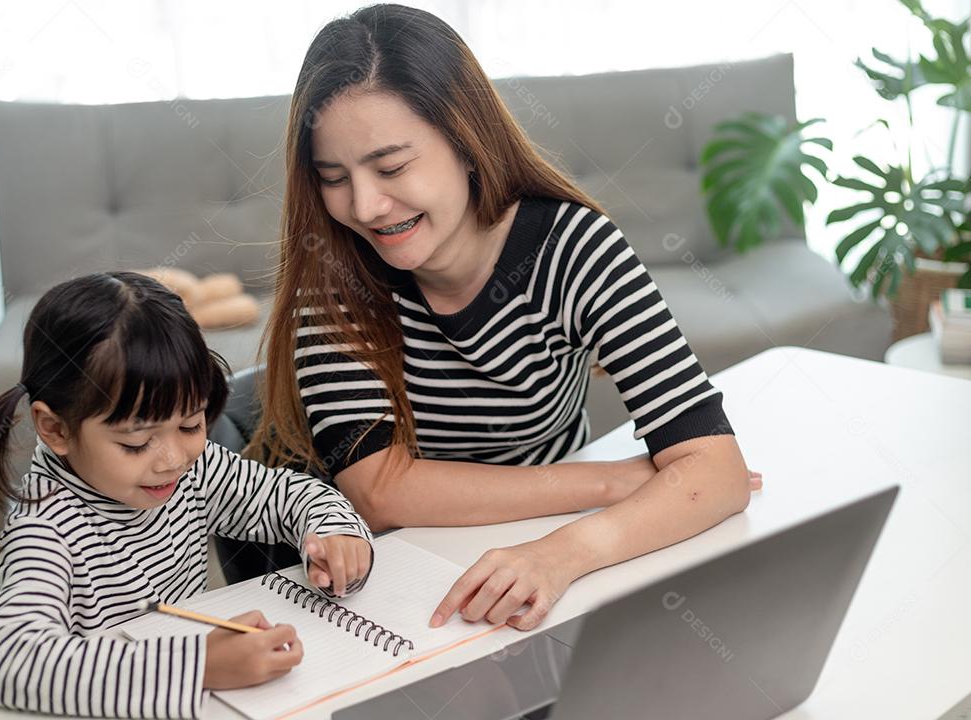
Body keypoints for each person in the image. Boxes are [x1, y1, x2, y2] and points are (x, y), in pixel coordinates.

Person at [252, 3, 761, 633]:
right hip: (385, 576)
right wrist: (606, 483)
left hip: (539, 548)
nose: (365, 206)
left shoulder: (574, 249)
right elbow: (378, 494)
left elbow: (717, 472)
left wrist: (561, 553)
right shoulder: (333, 279)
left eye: (391, 168)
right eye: (334, 177)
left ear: (467, 142)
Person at [0, 272, 373, 718]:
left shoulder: (195, 470)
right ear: (55, 429)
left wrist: (335, 533)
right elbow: (14, 662)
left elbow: (287, 495)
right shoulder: (43, 532)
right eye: (136, 443)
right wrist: (202, 666)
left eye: (190, 425)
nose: (172, 459)